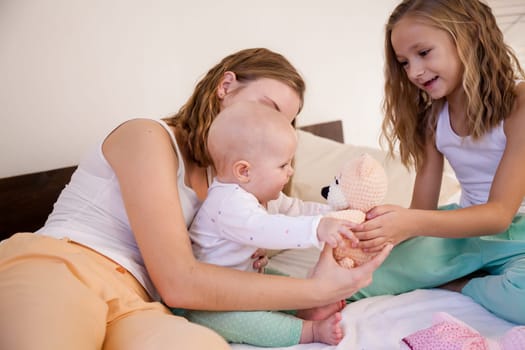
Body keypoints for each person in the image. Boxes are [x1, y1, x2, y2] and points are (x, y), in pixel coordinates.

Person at [0, 47, 392, 350]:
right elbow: (180, 281)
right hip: (65, 265)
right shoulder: (149, 137)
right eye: (268, 108)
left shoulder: (236, 184)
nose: (274, 126)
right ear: (225, 87)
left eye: (285, 122)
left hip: (141, 302)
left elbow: (267, 227)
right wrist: (320, 290)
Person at [346, 0, 525, 326]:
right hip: (463, 234)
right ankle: (273, 295)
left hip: (519, 238)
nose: (414, 71)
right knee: (358, 280)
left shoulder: (520, 104)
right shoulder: (433, 119)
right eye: (403, 62)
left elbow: (500, 215)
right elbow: (422, 210)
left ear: (469, 39)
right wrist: (382, 234)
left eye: (424, 53)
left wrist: (410, 223)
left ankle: (463, 284)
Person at [180, 101, 358, 346]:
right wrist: (317, 228)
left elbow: (296, 209)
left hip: (245, 281)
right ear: (244, 171)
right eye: (283, 165)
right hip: (206, 302)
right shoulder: (228, 203)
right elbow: (266, 229)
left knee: (286, 282)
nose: (291, 171)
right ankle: (310, 331)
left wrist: (334, 216)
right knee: (245, 322)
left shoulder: (259, 195)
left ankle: (304, 308)